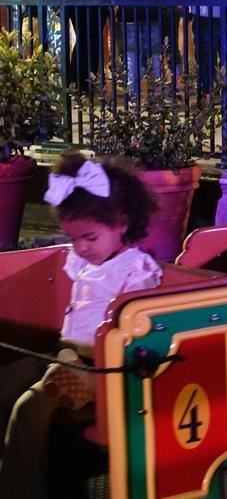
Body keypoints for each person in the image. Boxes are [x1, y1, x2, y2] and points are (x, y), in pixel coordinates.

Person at [0, 151, 160, 496]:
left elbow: (133, 335)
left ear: (122, 223)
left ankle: (19, 491)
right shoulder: (83, 260)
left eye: (90, 238)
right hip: (67, 354)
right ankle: (21, 469)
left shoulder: (135, 271)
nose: (81, 248)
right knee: (5, 382)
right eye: (73, 239)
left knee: (31, 406)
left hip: (101, 369)